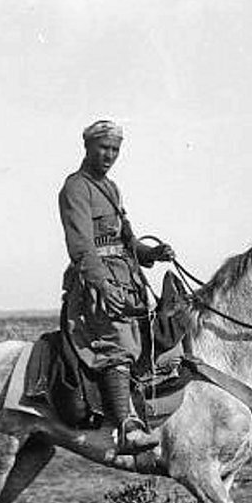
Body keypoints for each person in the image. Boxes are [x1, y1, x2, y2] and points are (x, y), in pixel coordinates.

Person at [59, 119, 174, 455]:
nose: (109, 155)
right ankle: (127, 428)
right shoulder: (75, 187)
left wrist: (151, 253)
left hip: (126, 278)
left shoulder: (111, 188)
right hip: (94, 286)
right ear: (88, 147)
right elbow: (81, 246)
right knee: (118, 342)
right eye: (104, 148)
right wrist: (102, 284)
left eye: (115, 150)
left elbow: (126, 239)